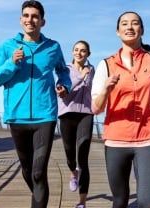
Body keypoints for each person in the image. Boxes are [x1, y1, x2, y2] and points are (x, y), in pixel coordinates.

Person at [0, 1, 71, 207]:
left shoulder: (53, 47)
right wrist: (11, 63)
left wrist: (64, 85)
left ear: (42, 21)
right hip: (17, 116)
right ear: (20, 19)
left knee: (38, 171)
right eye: (26, 15)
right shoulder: (8, 47)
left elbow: (63, 71)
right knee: (28, 171)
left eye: (34, 16)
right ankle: (40, 198)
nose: (30, 20)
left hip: (45, 116)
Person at [91, 11, 150, 208]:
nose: (130, 27)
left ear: (141, 30)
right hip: (116, 139)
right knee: (120, 200)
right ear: (118, 31)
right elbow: (95, 108)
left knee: (147, 202)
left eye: (135, 23)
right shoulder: (106, 65)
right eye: (124, 24)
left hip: (148, 138)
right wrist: (106, 91)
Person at [57, 40, 95, 208]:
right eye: (77, 50)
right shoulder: (64, 69)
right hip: (67, 114)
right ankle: (73, 173)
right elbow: (64, 92)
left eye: (83, 51)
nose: (79, 53)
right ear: (72, 52)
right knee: (70, 155)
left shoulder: (92, 70)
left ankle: (82, 202)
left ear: (88, 54)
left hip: (86, 114)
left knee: (83, 157)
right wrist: (82, 76)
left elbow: (97, 90)